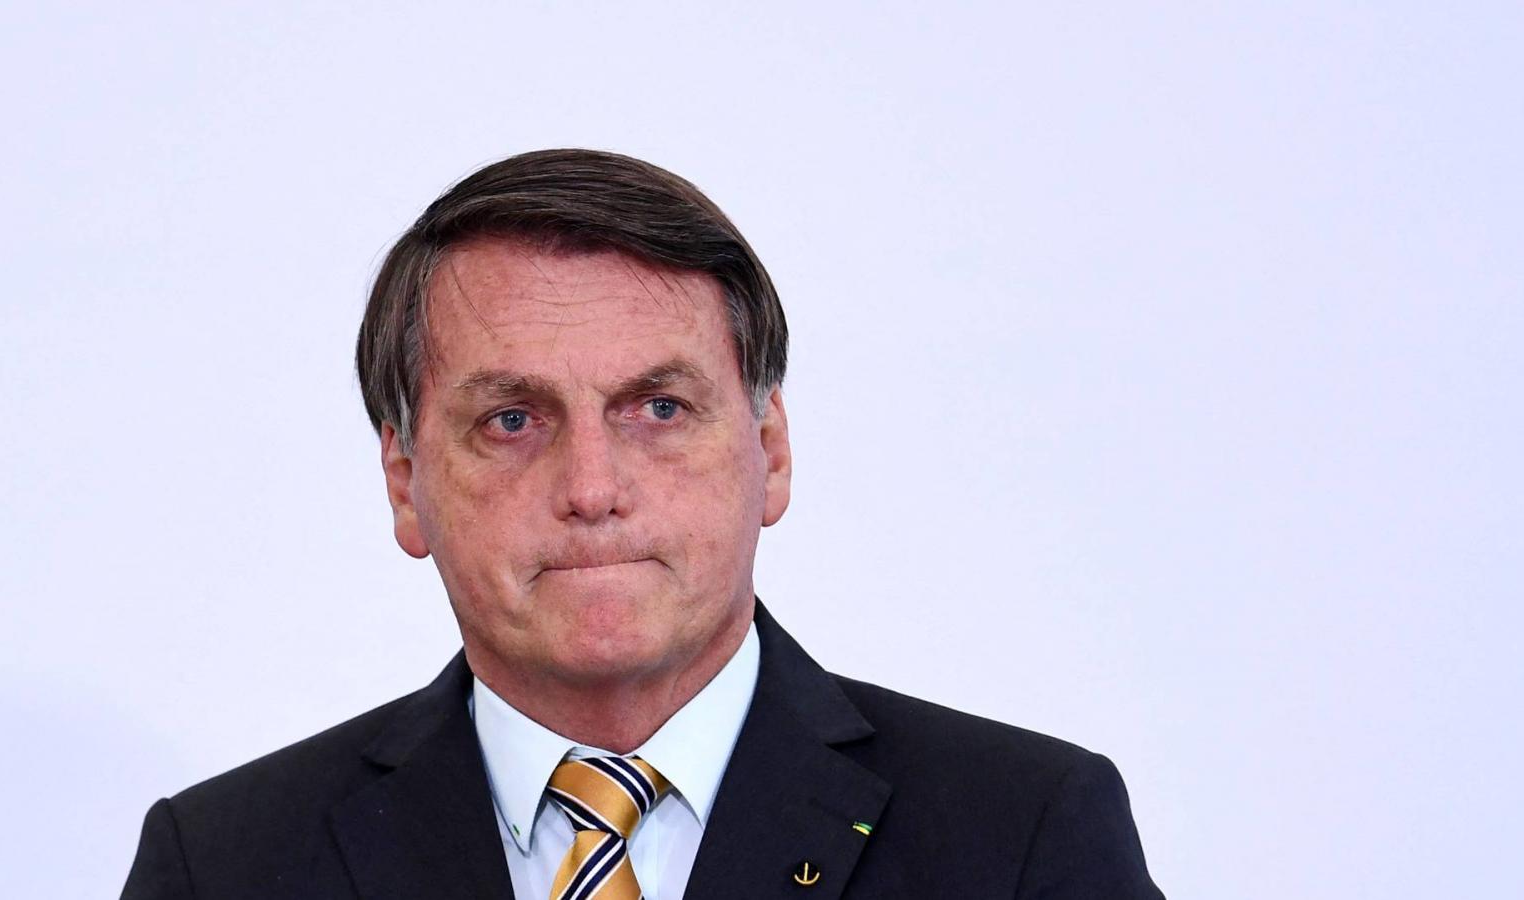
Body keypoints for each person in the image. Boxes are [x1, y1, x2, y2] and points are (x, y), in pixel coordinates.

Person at [120, 149, 1163, 899]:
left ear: (771, 452)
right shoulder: (225, 865)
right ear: (405, 482)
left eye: (658, 409)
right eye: (512, 420)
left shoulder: (1022, 835)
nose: (591, 488)